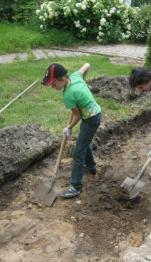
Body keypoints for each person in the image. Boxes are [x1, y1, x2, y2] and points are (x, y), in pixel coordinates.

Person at [42, 63, 101, 198]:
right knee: (83, 143)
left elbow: (77, 115)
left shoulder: (69, 95)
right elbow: (87, 65)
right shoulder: (75, 76)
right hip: (95, 114)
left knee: (77, 152)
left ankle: (76, 186)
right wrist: (83, 80)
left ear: (62, 79)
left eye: (53, 83)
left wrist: (69, 127)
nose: (52, 86)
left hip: (90, 119)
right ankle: (91, 167)